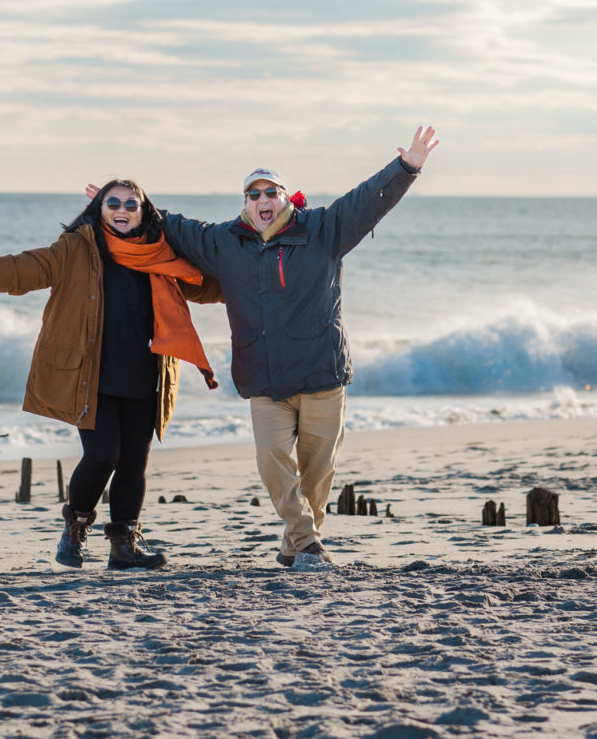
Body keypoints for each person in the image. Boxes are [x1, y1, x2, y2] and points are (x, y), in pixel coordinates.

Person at [149, 126, 439, 569]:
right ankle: (308, 544)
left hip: (322, 374)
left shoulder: (323, 230)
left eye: (272, 192)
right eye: (254, 194)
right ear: (245, 204)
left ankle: (297, 548)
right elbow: (174, 227)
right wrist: (127, 203)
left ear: (287, 198)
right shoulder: (225, 243)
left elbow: (365, 200)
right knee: (272, 460)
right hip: (264, 380)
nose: (263, 200)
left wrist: (406, 167)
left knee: (318, 475)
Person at [0, 180, 221, 570]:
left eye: (130, 204)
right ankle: (76, 527)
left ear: (144, 210)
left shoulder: (160, 253)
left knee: (134, 462)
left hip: (144, 373)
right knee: (103, 455)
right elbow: (28, 268)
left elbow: (204, 284)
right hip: (93, 375)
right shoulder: (77, 247)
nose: (122, 209)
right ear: (100, 209)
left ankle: (124, 546)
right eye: (113, 202)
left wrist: (254, 283)